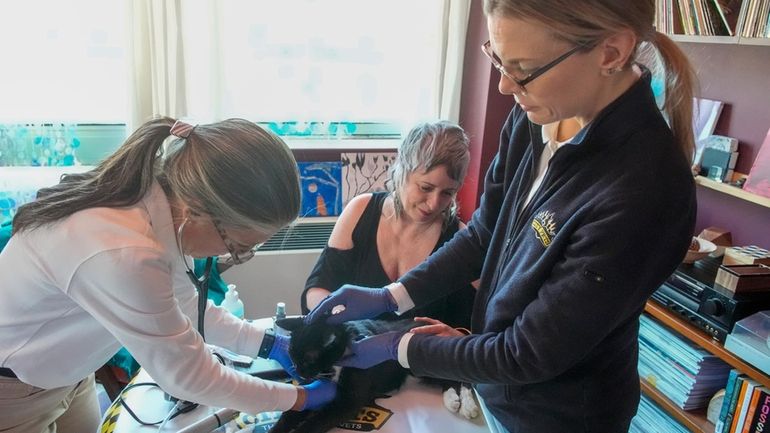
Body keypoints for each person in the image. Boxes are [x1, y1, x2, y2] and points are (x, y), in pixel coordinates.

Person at [307, 1, 698, 432]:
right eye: (496, 56)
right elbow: (483, 235)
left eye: (523, 68)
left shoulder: (644, 190)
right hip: (496, 389)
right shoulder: (539, 116)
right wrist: (395, 295)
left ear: (611, 52)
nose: (504, 86)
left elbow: (525, 354)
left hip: (559, 417)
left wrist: (401, 347)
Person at [0, 118, 336, 433]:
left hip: (69, 373)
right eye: (237, 246)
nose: (232, 257)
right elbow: (189, 377)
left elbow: (189, 307)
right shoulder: (125, 251)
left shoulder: (165, 207)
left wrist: (269, 344)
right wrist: (299, 399)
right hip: (13, 391)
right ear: (199, 211)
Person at [302, 121, 476, 330]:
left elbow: (484, 325)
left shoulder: (462, 241)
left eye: (447, 193)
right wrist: (345, 321)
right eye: (425, 187)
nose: (433, 203)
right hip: (354, 353)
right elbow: (317, 289)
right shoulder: (360, 211)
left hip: (423, 360)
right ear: (401, 168)